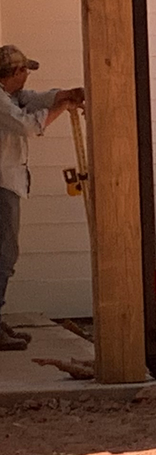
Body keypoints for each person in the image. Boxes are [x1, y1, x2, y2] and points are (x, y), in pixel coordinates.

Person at [0, 44, 84, 352]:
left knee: (5, 254)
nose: (27, 78)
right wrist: (64, 107)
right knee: (4, 254)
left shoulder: (9, 95)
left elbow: (33, 99)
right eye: (24, 71)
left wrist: (62, 94)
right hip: (1, 186)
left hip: (7, 184)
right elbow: (27, 124)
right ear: (17, 72)